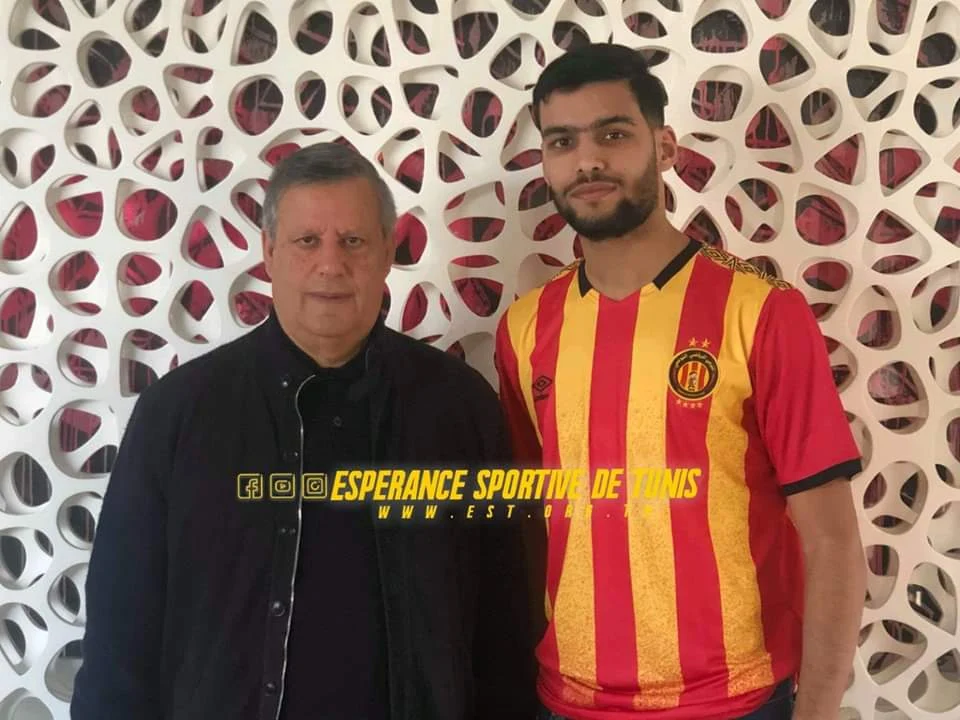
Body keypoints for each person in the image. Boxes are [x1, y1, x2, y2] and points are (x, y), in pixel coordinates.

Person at [71, 142, 539, 720]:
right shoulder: (176, 413)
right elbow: (120, 632)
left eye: (354, 241)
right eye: (307, 240)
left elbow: (503, 624)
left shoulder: (460, 408)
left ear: (387, 251)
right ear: (269, 252)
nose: (331, 264)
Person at [494, 44, 866, 720]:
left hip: (734, 702)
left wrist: (816, 711)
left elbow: (832, 540)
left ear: (664, 147)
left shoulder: (761, 312)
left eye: (613, 134)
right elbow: (530, 517)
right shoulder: (523, 328)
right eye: (562, 141)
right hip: (566, 700)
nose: (587, 161)